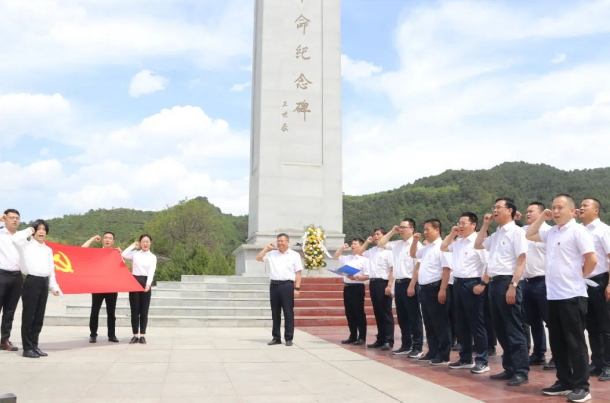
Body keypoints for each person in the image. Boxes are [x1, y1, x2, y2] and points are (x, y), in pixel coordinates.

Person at [527, 194, 597, 402]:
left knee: (575, 343)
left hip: (572, 295)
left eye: (560, 208)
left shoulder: (578, 231)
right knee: (557, 342)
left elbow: (591, 259)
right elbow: (530, 234)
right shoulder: (551, 232)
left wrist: (578, 276)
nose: (556, 211)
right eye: (553, 208)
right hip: (553, 295)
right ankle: (564, 382)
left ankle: (582, 386)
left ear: (572, 211)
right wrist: (542, 218)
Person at [474, 198, 530, 386]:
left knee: (514, 329)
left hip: (508, 282)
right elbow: (478, 243)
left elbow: (521, 260)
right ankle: (510, 368)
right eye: (494, 207)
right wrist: (485, 224)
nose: (495, 210)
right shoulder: (497, 234)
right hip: (495, 284)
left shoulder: (517, 232)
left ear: (510, 210)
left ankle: (521, 371)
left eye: (499, 207)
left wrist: (513, 285)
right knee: (500, 329)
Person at [441, 212, 490, 374]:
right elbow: (443, 247)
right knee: (461, 323)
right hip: (458, 284)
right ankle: (465, 358)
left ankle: (482, 360)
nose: (460, 226)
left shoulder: (478, 242)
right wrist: (452, 233)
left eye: (463, 223)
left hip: (473, 284)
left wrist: (483, 284)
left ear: (473, 225)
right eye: (459, 223)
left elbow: (487, 264)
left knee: (477, 324)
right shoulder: (458, 242)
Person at [13, 219, 61, 358]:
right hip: (31, 282)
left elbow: (51, 270)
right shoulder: (25, 245)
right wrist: (29, 230)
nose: (41, 231)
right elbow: (15, 238)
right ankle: (27, 348)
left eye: (44, 229)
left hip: (44, 283)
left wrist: (54, 286)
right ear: (34, 231)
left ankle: (34, 345)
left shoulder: (48, 249)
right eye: (38, 229)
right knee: (29, 316)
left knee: (39, 317)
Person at [378, 219, 424, 358]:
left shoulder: (417, 245)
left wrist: (412, 285)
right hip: (398, 283)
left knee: (414, 316)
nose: (401, 230)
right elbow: (381, 243)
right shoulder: (397, 244)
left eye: (404, 227)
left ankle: (417, 346)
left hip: (411, 282)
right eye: (400, 227)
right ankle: (406, 344)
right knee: (402, 316)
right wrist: (392, 231)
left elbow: (418, 267)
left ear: (412, 229)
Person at [410, 219, 451, 366]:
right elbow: (413, 254)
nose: (425, 232)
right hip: (424, 289)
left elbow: (446, 269)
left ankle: (444, 354)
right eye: (424, 229)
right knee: (429, 322)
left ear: (437, 230)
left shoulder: (443, 247)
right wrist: (415, 241)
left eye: (428, 229)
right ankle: (432, 350)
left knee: (440, 323)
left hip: (436, 287)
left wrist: (442, 289)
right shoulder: (427, 248)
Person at [521, 202, 555, 370]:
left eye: (531, 211)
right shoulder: (524, 232)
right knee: (533, 321)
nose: (527, 214)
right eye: (526, 211)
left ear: (542, 213)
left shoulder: (549, 232)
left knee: (551, 321)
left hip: (544, 281)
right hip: (527, 282)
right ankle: (539, 353)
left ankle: (557, 355)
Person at [579, 198, 610, 381]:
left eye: (585, 206)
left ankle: (608, 365)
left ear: (596, 211)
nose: (581, 208)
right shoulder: (580, 230)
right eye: (580, 205)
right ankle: (596, 363)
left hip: (601, 281)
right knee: (591, 327)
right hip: (584, 283)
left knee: (606, 326)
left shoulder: (603, 230)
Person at [256, 233, 303, 346]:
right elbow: (258, 258)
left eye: (282, 241)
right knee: (275, 313)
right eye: (278, 241)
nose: (280, 243)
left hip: (287, 286)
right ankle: (276, 337)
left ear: (288, 241)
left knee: (288, 312)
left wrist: (297, 288)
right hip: (274, 286)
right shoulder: (272, 254)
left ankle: (289, 338)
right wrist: (266, 248)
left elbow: (298, 273)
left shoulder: (294, 255)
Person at [0, 209, 35, 352]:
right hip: (1, 275)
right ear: (5, 218)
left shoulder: (21, 237)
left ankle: (4, 340)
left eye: (17, 218)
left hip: (17, 277)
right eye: (11, 217)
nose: (15, 220)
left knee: (10, 311)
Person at [359, 228, 395, 350]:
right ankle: (380, 339)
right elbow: (359, 252)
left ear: (384, 236)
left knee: (386, 312)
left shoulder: (388, 251)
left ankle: (389, 340)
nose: (375, 236)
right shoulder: (372, 251)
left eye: (378, 234)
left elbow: (392, 269)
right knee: (378, 312)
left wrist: (389, 285)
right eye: (374, 234)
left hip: (383, 283)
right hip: (373, 282)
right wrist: (367, 242)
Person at [82, 233, 121, 343]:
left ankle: (112, 335)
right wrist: (93, 238)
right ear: (103, 240)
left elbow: (121, 268)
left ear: (113, 241)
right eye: (106, 238)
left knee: (111, 313)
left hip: (111, 287)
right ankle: (93, 334)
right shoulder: (96, 252)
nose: (107, 240)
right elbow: (82, 249)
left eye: (110, 238)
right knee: (95, 312)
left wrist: (120, 254)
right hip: (97, 286)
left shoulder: (116, 253)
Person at [334, 238, 370, 345]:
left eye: (355, 244)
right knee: (349, 312)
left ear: (361, 246)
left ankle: (362, 336)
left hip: (357, 287)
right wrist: (342, 248)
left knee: (359, 312)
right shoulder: (348, 258)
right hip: (347, 287)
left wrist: (357, 277)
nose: (352, 246)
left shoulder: (365, 260)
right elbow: (336, 256)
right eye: (352, 244)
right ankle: (352, 335)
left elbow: (367, 276)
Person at [122, 234, 157, 345]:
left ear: (150, 243)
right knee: (134, 310)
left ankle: (142, 335)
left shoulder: (152, 257)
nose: (145, 243)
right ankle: (135, 335)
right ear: (140, 243)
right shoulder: (135, 254)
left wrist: (148, 284)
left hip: (145, 282)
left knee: (144, 310)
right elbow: (123, 254)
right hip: (134, 281)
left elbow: (151, 271)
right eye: (143, 242)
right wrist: (133, 245)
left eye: (147, 241)